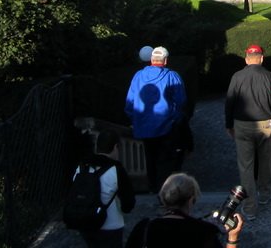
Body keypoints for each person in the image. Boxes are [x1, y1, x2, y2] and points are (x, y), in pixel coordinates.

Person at [224, 45, 271, 219]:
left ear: (246, 59)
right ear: (262, 59)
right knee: (265, 161)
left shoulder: (237, 76)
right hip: (265, 124)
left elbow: (229, 103)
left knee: (246, 167)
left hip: (242, 125)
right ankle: (265, 193)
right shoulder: (268, 76)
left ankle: (250, 207)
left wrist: (229, 124)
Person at [124, 46, 187, 192]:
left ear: (151, 59)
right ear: (165, 61)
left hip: (143, 128)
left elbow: (129, 102)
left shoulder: (138, 76)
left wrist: (136, 120)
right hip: (166, 126)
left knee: (149, 159)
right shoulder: (172, 76)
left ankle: (153, 188)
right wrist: (175, 118)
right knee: (165, 161)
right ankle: (165, 191)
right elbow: (181, 101)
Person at [125, 172, 243, 248]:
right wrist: (232, 238)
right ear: (191, 200)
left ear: (163, 197)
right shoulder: (204, 232)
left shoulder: (144, 228)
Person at [76, 130, 135, 248]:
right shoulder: (117, 170)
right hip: (111, 225)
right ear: (115, 147)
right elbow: (128, 203)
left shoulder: (82, 166)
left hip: (85, 223)